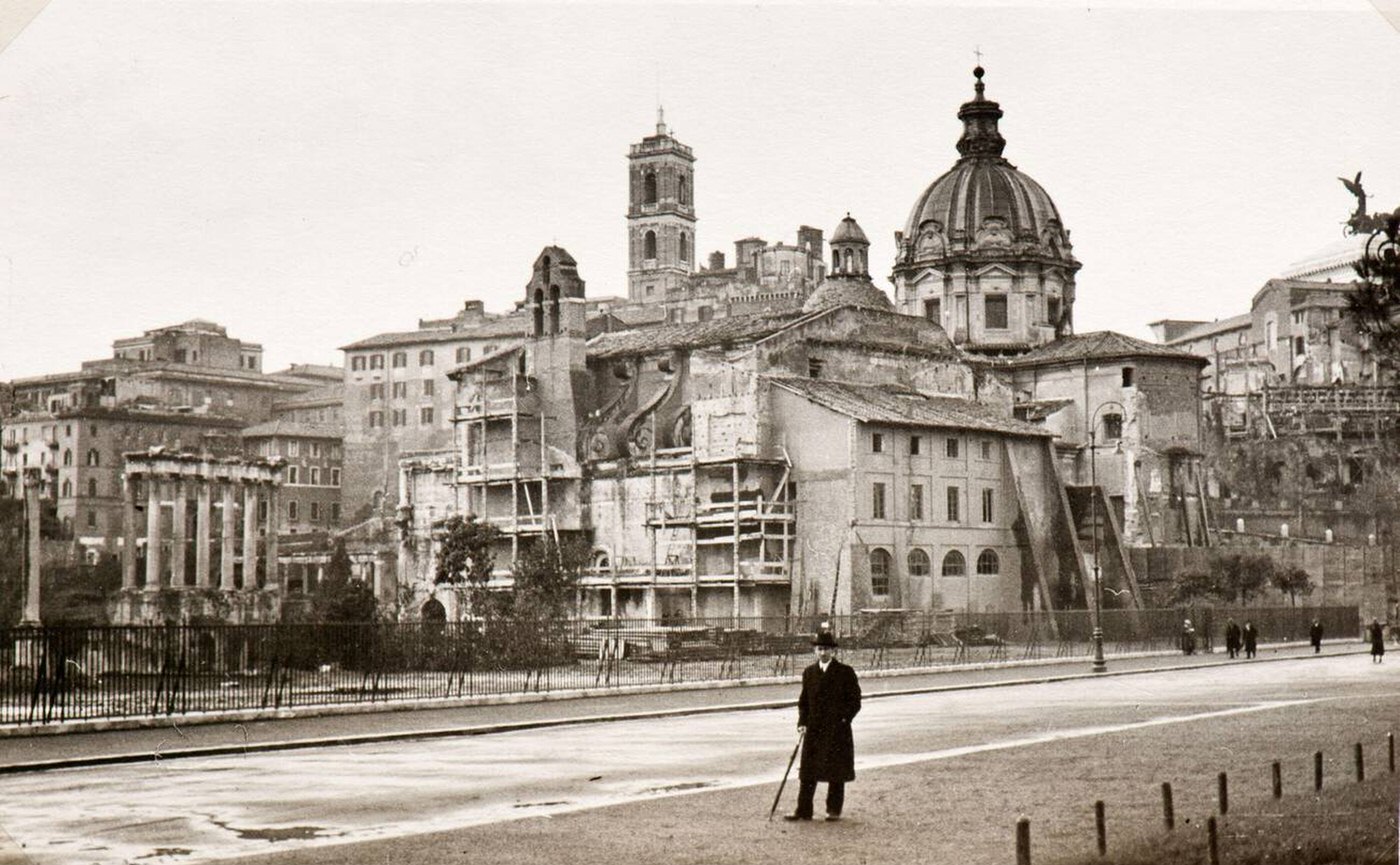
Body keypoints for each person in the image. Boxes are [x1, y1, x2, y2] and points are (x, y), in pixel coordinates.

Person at [785, 631, 862, 823]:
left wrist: (844, 720)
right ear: (815, 650)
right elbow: (804, 702)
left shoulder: (845, 672)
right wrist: (802, 723)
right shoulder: (809, 672)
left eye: (826, 649)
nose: (823, 653)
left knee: (836, 772)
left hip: (837, 731)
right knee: (808, 772)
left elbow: (855, 701)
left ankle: (833, 810)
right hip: (813, 730)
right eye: (819, 649)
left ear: (833, 651)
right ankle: (804, 810)